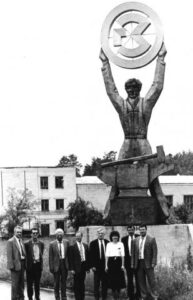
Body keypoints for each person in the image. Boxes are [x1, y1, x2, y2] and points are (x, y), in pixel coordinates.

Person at [99, 44, 169, 222]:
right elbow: (110, 90)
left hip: (143, 142)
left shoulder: (146, 104)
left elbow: (157, 86)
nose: (131, 92)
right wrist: (105, 64)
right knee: (117, 178)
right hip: (127, 143)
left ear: (138, 90)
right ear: (126, 91)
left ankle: (164, 214)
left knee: (152, 178)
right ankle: (108, 215)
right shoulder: (121, 105)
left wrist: (160, 59)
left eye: (134, 90)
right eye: (129, 90)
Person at [131, 224, 158, 300]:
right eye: (141, 229)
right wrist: (132, 263)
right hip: (138, 263)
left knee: (152, 281)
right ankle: (144, 296)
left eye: (143, 229)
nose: (142, 231)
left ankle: (154, 296)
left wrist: (154, 262)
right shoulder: (135, 240)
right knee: (141, 281)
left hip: (148, 263)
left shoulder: (151, 239)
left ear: (146, 230)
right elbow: (133, 253)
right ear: (139, 230)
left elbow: (155, 252)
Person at [49, 228, 69, 300]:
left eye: (61, 233)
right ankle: (57, 297)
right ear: (56, 235)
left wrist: (69, 265)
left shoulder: (66, 242)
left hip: (64, 264)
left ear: (63, 235)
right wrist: (51, 267)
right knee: (56, 282)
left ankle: (64, 296)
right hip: (56, 265)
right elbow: (50, 257)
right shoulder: (52, 244)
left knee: (64, 282)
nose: (59, 235)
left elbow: (68, 255)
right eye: (58, 234)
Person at [24, 227, 44, 300]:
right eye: (33, 233)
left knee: (37, 283)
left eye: (36, 233)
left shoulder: (41, 243)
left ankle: (37, 296)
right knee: (29, 284)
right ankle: (30, 297)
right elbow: (26, 256)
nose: (35, 234)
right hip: (30, 266)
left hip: (38, 266)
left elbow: (41, 254)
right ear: (31, 234)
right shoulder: (26, 244)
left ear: (38, 234)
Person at [89, 227, 109, 300]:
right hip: (96, 267)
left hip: (105, 267)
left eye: (102, 233)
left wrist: (108, 266)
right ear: (97, 234)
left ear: (104, 234)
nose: (100, 235)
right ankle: (96, 298)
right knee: (96, 285)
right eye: (99, 233)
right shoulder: (93, 243)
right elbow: (90, 256)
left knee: (105, 284)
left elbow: (109, 255)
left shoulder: (107, 242)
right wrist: (92, 266)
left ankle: (104, 298)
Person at [7, 225, 26, 300]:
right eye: (17, 232)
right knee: (15, 285)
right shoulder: (10, 241)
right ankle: (14, 298)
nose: (19, 233)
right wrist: (12, 267)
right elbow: (9, 256)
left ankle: (21, 298)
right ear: (14, 232)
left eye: (20, 232)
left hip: (22, 264)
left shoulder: (21, 241)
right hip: (15, 266)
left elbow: (22, 252)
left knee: (21, 284)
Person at [69, 231, 89, 300]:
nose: (78, 237)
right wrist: (71, 269)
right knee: (77, 284)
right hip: (76, 268)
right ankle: (77, 298)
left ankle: (82, 297)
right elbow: (71, 258)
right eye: (76, 236)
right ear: (75, 237)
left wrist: (88, 268)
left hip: (83, 266)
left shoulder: (85, 246)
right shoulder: (72, 247)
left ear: (81, 236)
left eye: (79, 236)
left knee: (82, 283)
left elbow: (87, 257)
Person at [105, 230, 126, 300]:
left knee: (119, 280)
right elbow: (107, 256)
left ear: (118, 237)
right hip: (111, 263)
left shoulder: (121, 244)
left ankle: (119, 296)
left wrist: (122, 265)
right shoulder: (108, 244)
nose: (115, 238)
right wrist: (106, 265)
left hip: (118, 263)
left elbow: (123, 255)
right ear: (111, 237)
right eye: (113, 236)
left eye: (116, 236)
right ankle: (114, 296)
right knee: (112, 280)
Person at [121, 225, 140, 300]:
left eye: (132, 230)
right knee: (130, 280)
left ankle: (138, 295)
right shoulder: (124, 239)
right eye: (129, 230)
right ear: (127, 231)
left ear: (134, 230)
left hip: (137, 261)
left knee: (138, 279)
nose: (130, 231)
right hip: (128, 262)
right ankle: (130, 296)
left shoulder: (138, 237)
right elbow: (123, 251)